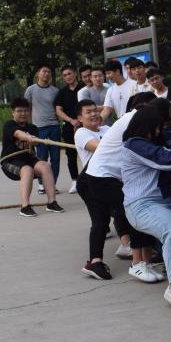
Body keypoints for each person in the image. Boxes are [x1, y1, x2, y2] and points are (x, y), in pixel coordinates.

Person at [120, 102, 171, 311]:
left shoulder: (155, 140)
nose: (161, 131)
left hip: (168, 202)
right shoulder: (134, 144)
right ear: (148, 126)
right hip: (142, 205)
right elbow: (165, 159)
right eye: (158, 127)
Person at [85, 92, 158, 276]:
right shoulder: (135, 120)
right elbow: (144, 150)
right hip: (103, 177)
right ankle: (138, 263)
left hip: (96, 175)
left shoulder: (130, 118)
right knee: (136, 211)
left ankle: (95, 262)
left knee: (102, 220)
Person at [73, 99, 116, 280]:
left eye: (95, 110)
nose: (94, 114)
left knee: (119, 212)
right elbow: (101, 149)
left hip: (109, 180)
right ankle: (95, 262)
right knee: (101, 220)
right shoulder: (81, 133)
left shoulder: (107, 129)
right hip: (90, 182)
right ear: (80, 118)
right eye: (88, 112)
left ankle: (128, 246)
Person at [0, 98, 63, 216]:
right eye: (19, 111)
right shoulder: (9, 125)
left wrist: (39, 141)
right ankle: (25, 207)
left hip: (29, 159)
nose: (23, 114)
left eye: (26, 111)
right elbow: (18, 133)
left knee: (45, 166)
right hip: (10, 161)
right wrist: (28, 138)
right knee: (27, 170)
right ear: (13, 112)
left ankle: (52, 202)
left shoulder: (32, 128)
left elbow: (35, 143)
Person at [23, 64, 62, 187]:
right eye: (44, 71)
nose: (46, 74)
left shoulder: (55, 91)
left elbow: (58, 109)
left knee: (55, 158)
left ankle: (52, 184)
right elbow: (26, 108)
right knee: (41, 158)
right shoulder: (31, 90)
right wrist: (28, 127)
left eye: (49, 72)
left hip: (54, 127)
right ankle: (41, 184)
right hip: (39, 128)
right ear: (38, 74)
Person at [54, 65, 83, 194]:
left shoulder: (83, 88)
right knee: (71, 155)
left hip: (85, 126)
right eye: (65, 75)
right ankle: (75, 181)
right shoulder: (62, 92)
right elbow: (58, 110)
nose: (68, 77)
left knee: (88, 153)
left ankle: (90, 180)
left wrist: (81, 120)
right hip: (69, 127)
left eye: (69, 74)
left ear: (75, 74)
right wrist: (71, 120)